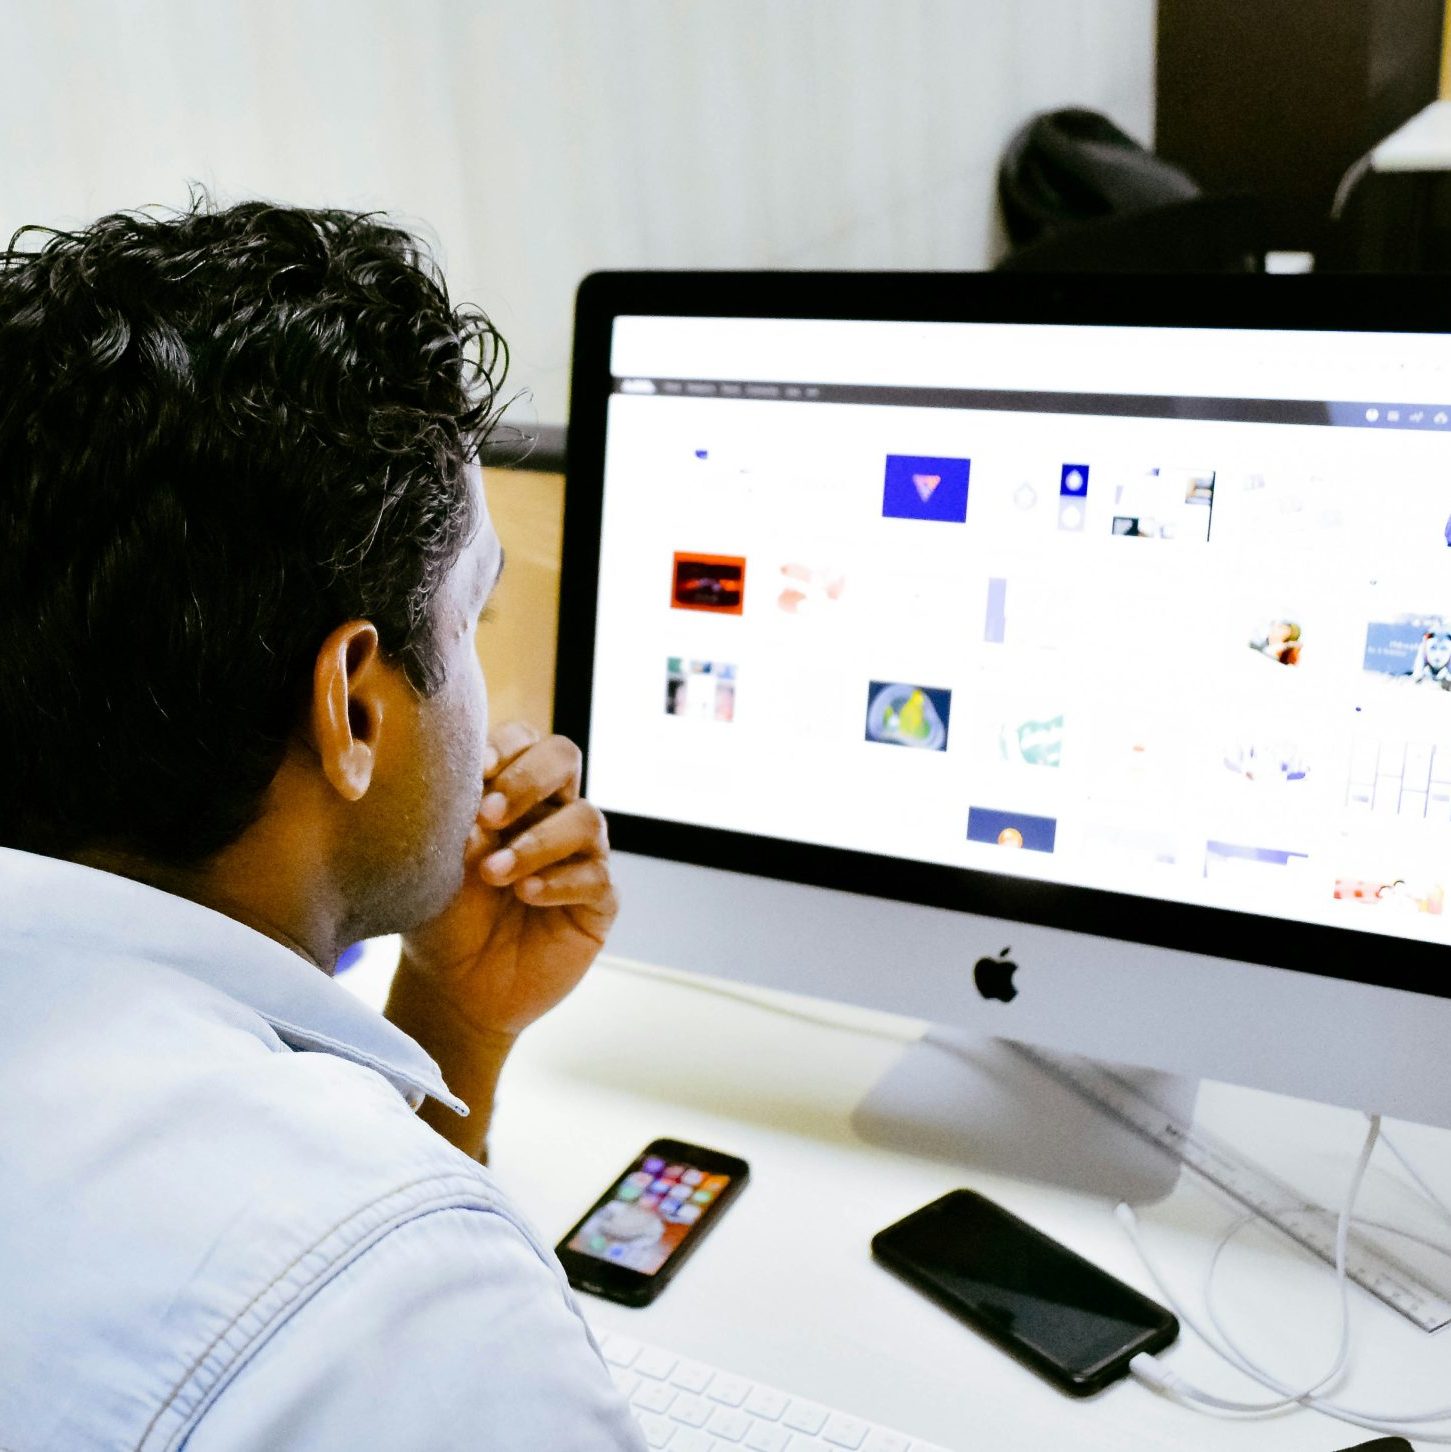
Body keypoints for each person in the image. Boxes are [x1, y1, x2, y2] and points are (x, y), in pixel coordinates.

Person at [0, 198, 647, 1449]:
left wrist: (453, 1025)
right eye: (472, 625)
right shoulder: (407, 1302)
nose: (493, 703)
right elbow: (336, 1288)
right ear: (353, 702)